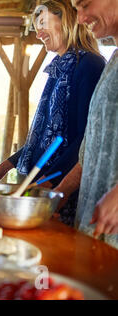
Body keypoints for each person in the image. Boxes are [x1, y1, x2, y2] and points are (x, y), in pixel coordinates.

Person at [0, 1, 105, 213]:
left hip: (65, 190)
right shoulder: (58, 68)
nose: (38, 34)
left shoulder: (90, 65)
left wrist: (51, 181)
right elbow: (40, 139)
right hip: (43, 185)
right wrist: (3, 168)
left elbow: (86, 139)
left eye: (43, 24)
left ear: (66, 20)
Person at [54, 0, 118, 248]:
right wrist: (60, 192)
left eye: (85, 4)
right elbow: (93, 150)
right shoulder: (112, 62)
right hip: (94, 234)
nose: (80, 19)